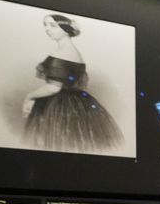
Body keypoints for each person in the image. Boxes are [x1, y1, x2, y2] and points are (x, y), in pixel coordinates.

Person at [22, 13, 123, 152]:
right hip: (74, 102)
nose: (47, 29)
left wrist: (29, 96)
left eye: (53, 25)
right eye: (45, 25)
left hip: (60, 105)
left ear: (65, 28)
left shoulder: (63, 53)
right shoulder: (71, 51)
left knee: (57, 143)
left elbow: (53, 88)